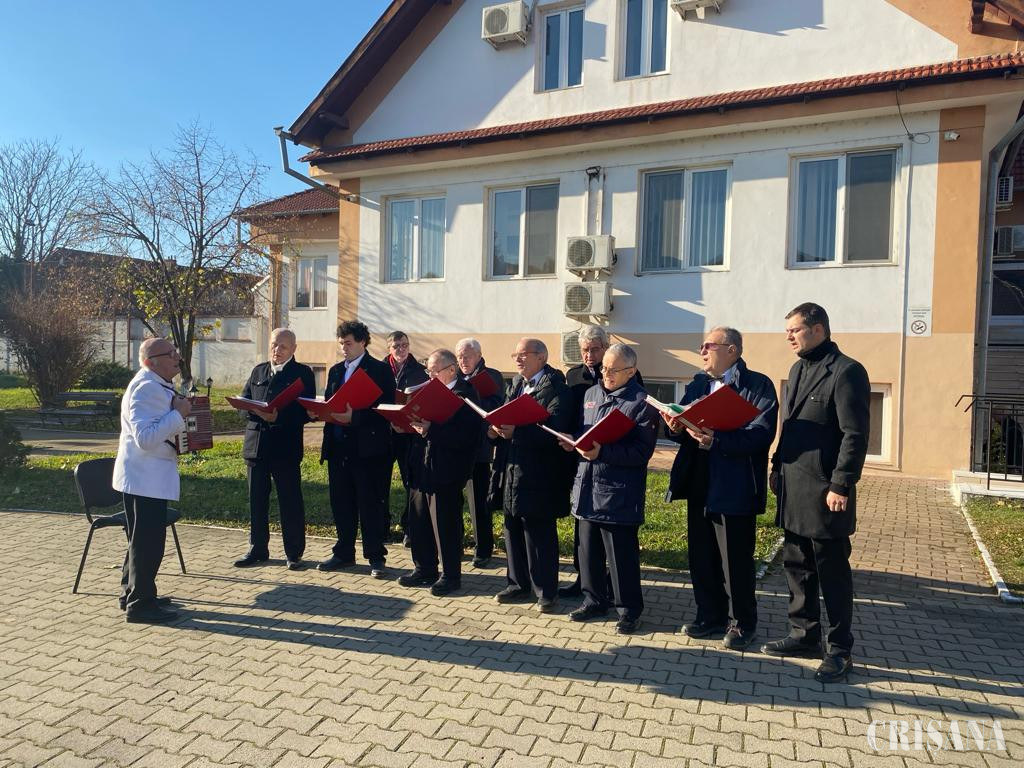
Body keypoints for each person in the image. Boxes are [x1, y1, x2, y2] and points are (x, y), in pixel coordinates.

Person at [761, 303, 870, 683]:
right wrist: (777, 467)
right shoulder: (797, 369)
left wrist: (842, 483)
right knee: (797, 566)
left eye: (795, 330)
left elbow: (855, 434)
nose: (789, 336)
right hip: (794, 487)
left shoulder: (846, 371)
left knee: (831, 571)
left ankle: (839, 649)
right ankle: (804, 635)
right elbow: (789, 426)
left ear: (818, 329)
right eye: (787, 331)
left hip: (826, 491)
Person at [665, 327, 778, 651]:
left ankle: (742, 623)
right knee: (702, 556)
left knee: (735, 561)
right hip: (699, 480)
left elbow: (761, 434)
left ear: (731, 350)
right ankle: (709, 616)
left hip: (735, 484)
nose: (702, 351)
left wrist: (718, 440)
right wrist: (674, 426)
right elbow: (682, 422)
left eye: (708, 346)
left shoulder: (757, 385)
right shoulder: (698, 384)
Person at [564, 343, 657, 635]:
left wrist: (602, 452)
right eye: (604, 368)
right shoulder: (591, 394)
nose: (606, 374)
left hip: (618, 493)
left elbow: (641, 452)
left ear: (631, 371)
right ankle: (593, 600)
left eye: (613, 370)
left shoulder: (642, 403)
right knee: (587, 551)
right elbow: (585, 432)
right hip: (586, 486)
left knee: (621, 557)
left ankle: (628, 610)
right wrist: (573, 441)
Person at [491, 338, 574, 613]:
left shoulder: (556, 388)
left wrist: (518, 432)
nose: (518, 359)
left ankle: (546, 591)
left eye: (523, 354)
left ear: (541, 357)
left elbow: (556, 429)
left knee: (539, 533)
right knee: (512, 527)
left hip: (540, 472)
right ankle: (517, 584)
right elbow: (505, 414)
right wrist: (495, 429)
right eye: (515, 354)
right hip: (512, 468)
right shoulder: (515, 384)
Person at [112, 338, 191, 624]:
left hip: (145, 477)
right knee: (148, 544)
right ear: (151, 361)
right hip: (145, 478)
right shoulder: (146, 387)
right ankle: (141, 605)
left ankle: (133, 592)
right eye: (170, 354)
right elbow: (145, 438)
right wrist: (178, 414)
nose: (177, 357)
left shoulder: (156, 384)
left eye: (175, 352)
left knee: (140, 541)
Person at [315, 321, 397, 579]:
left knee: (370, 504)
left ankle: (375, 556)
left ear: (363, 342)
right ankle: (343, 552)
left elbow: (386, 410)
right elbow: (330, 401)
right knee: (341, 503)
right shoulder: (336, 370)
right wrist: (320, 411)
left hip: (368, 450)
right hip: (338, 448)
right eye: (341, 343)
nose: (344, 348)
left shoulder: (380, 370)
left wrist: (356, 417)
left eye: (348, 343)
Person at [398, 349, 483, 595]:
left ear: (452, 369)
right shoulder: (427, 392)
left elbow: (467, 436)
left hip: (447, 470)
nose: (431, 376)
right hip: (421, 466)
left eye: (435, 371)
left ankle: (450, 575)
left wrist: (430, 430)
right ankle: (424, 568)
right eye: (429, 371)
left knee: (445, 524)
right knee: (419, 519)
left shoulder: (466, 395)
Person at [234, 328, 316, 570]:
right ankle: (257, 549)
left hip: (285, 447)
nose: (276, 350)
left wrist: (278, 417)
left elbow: (306, 412)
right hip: (256, 446)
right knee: (256, 500)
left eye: (282, 346)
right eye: (273, 344)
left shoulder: (303, 374)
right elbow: (243, 403)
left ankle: (294, 552)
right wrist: (253, 410)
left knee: (290, 501)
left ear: (293, 349)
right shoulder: (258, 371)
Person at [560, 325, 611, 598]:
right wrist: (568, 438)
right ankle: (583, 577)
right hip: (578, 457)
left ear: (605, 348)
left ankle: (608, 580)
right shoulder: (573, 376)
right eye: (584, 350)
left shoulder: (618, 371)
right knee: (581, 520)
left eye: (594, 349)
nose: (589, 355)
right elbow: (570, 414)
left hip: (607, 457)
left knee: (605, 523)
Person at [455, 337, 505, 567]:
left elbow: (496, 406)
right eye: (459, 357)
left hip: (480, 449)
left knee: (479, 502)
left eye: (467, 356)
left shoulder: (491, 376)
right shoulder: (454, 377)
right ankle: (455, 545)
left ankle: (483, 549)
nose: (462, 361)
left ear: (478, 355)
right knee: (453, 500)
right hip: (455, 447)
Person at [385, 331, 429, 545]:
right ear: (389, 349)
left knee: (410, 482)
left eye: (404, 345)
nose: (401, 349)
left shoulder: (420, 372)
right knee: (379, 482)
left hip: (408, 435)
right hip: (384, 434)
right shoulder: (379, 369)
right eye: (396, 346)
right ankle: (382, 527)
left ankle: (409, 528)